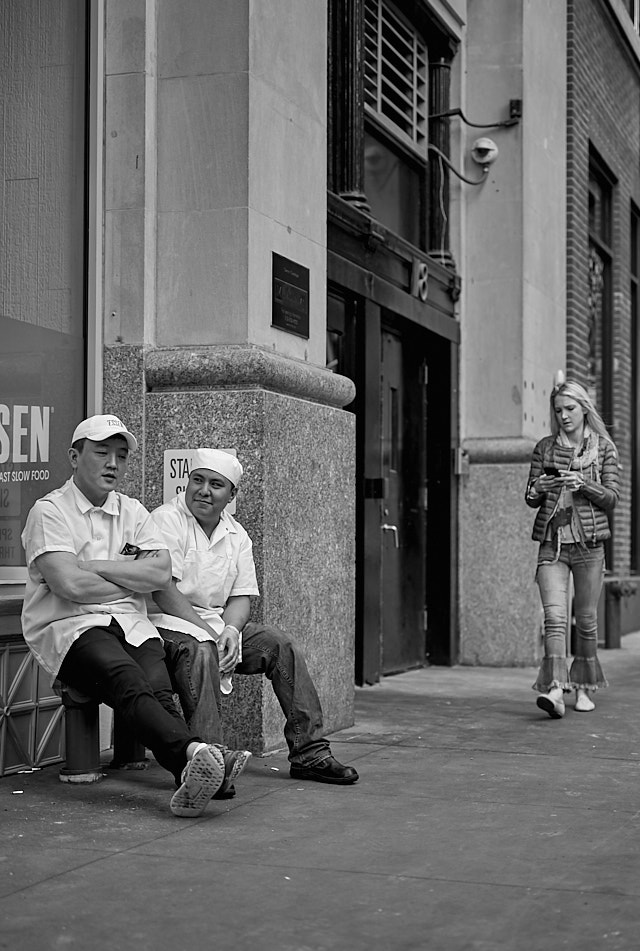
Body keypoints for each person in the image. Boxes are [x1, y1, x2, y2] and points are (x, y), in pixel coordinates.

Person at [20, 415, 233, 817]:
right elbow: (72, 588)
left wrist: (95, 566)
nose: (113, 463)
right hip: (72, 626)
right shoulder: (48, 512)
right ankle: (195, 754)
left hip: (133, 623)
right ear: (74, 456)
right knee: (129, 681)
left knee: (159, 687)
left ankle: (190, 775)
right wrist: (130, 578)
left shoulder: (133, 511)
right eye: (102, 452)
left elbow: (157, 575)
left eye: (121, 455)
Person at [149, 448, 359, 786]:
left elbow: (241, 597)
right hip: (165, 626)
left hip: (215, 624)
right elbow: (162, 592)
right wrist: (211, 633)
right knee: (202, 651)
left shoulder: (237, 535)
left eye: (216, 485)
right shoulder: (165, 520)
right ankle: (209, 765)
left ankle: (310, 753)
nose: (204, 490)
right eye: (197, 481)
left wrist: (231, 630)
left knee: (279, 645)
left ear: (231, 495)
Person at [525, 380, 619, 718]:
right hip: (553, 544)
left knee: (587, 621)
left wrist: (585, 485)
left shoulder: (603, 448)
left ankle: (583, 688)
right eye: (558, 410)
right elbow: (530, 497)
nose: (563, 416)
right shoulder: (545, 448)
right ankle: (554, 689)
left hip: (590, 547)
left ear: (584, 409)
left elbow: (612, 498)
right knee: (554, 618)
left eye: (570, 409)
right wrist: (538, 486)